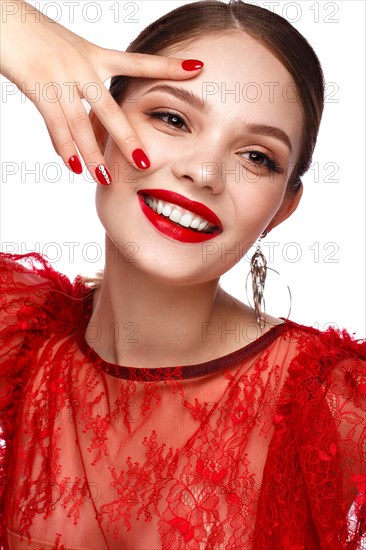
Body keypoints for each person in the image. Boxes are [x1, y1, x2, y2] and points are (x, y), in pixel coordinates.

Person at [0, 0, 365, 549]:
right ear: (98, 124)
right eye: (172, 118)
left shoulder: (335, 405)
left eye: (257, 157)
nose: (204, 170)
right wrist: (15, 28)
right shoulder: (19, 336)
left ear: (283, 209)